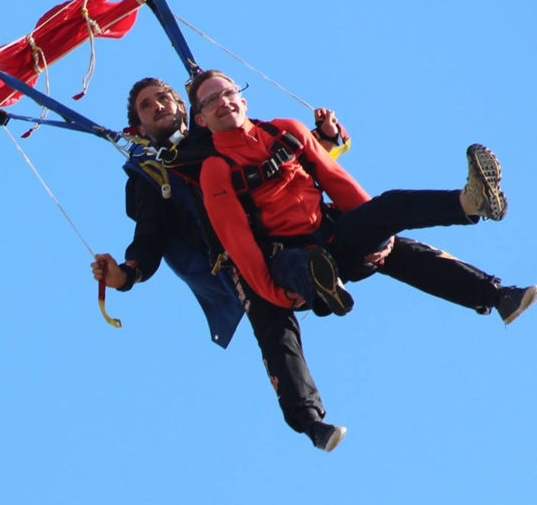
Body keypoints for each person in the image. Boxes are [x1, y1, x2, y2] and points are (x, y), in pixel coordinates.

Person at [94, 75, 535, 452]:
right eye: (146, 107)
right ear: (137, 125)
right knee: (274, 327)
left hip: (311, 228)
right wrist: (127, 274)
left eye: (163, 98)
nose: (157, 107)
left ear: (187, 108)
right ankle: (310, 419)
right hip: (250, 259)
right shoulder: (152, 175)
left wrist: (321, 142)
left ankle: (496, 290)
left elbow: (290, 168)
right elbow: (149, 237)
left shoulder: (225, 132)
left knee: (392, 240)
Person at [190, 69, 536, 333]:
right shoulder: (216, 170)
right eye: (211, 101)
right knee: (307, 265)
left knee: (391, 213)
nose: (224, 102)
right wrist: (275, 295)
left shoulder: (286, 130)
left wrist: (380, 236)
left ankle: (472, 208)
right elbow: (238, 240)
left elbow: (337, 181)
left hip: (335, 235)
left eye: (228, 93)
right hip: (292, 258)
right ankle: (324, 288)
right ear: (201, 120)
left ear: (243, 99)